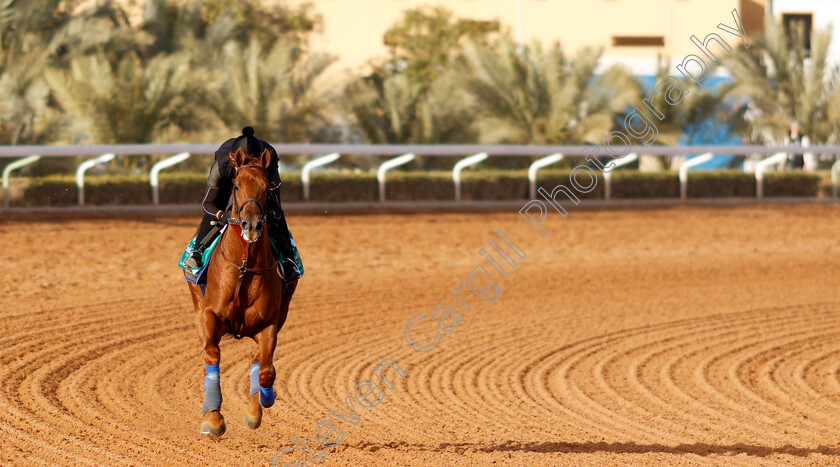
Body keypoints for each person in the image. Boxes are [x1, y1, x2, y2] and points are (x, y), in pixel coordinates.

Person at [184, 127, 301, 281]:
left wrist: (267, 213)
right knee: (214, 211)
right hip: (229, 185)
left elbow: (277, 209)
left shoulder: (269, 162)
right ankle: (197, 254)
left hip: (259, 190)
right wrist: (222, 214)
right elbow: (208, 204)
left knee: (276, 215)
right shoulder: (222, 165)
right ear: (233, 159)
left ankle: (288, 258)